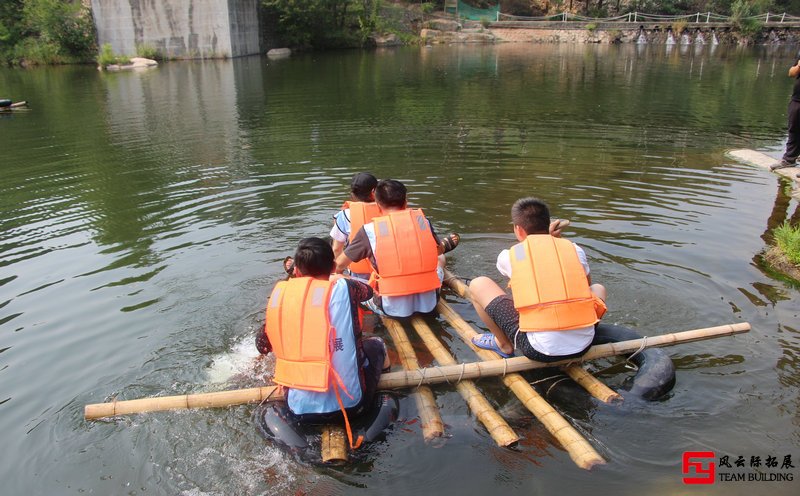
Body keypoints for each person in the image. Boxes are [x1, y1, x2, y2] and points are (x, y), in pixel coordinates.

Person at [257, 237, 389, 448]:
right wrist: (337, 278)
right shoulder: (346, 286)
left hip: (299, 411)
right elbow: (369, 292)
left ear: (297, 272)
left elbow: (262, 346)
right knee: (376, 344)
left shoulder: (281, 297)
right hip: (353, 404)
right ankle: (384, 392)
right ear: (333, 267)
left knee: (267, 407)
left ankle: (300, 448)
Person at [468, 197, 607, 361]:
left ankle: (503, 344)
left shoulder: (512, 255)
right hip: (584, 344)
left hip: (538, 349)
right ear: (547, 223)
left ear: (518, 229)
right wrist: (553, 241)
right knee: (598, 288)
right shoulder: (574, 249)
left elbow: (524, 259)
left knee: (478, 284)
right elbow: (585, 285)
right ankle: (578, 333)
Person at [334, 179, 459, 318]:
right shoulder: (423, 222)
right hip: (429, 303)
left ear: (378, 205)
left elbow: (339, 264)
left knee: (336, 277)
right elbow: (435, 251)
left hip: (390, 308)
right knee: (440, 257)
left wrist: (339, 274)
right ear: (406, 201)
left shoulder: (369, 230)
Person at [330, 172, 382, 280]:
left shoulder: (344, 215)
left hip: (359, 273)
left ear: (353, 194)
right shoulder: (387, 209)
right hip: (385, 269)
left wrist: (339, 271)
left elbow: (336, 249)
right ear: (374, 192)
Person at [772, 56, 800, 171]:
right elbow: (791, 73)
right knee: (793, 128)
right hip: (797, 99)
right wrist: (799, 66)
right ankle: (789, 160)